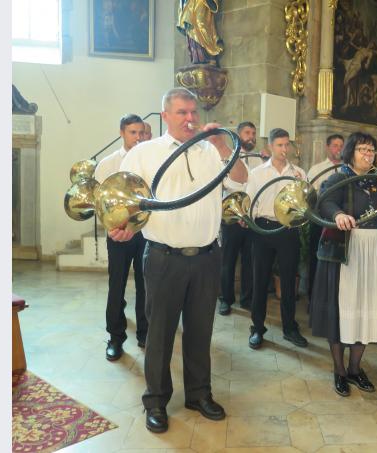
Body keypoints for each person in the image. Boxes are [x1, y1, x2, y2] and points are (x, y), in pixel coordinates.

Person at [113, 87, 247, 432]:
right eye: (182, 112)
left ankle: (199, 394)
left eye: (193, 112)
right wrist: (123, 225)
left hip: (206, 257)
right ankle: (156, 402)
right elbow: (125, 195)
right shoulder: (146, 152)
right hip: (164, 257)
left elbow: (241, 179)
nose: (190, 119)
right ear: (166, 115)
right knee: (159, 334)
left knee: (201, 331)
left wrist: (222, 145)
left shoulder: (210, 150)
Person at [309, 132, 377, 396]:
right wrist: (339, 214)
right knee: (344, 310)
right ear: (350, 152)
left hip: (374, 251)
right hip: (348, 250)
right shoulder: (340, 177)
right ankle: (339, 370)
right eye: (363, 149)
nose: (368, 154)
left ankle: (355, 368)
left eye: (372, 150)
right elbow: (324, 201)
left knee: (366, 309)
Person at [245, 128, 309, 350]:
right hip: (263, 227)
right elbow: (250, 202)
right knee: (260, 279)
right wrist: (250, 222)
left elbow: (304, 204)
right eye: (279, 145)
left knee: (289, 280)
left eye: (286, 145)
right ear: (270, 146)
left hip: (288, 229)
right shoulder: (257, 173)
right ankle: (257, 328)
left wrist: (303, 186)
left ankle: (290, 328)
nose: (284, 149)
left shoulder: (298, 172)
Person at [95, 114, 148, 361]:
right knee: (116, 285)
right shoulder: (107, 163)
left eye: (140, 132)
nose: (137, 137)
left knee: (145, 285)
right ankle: (115, 337)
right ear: (122, 133)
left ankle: (145, 333)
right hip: (117, 234)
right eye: (132, 132)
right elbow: (100, 204)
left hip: (145, 233)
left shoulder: (150, 160)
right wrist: (113, 227)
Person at [217, 121, 258, 316]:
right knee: (228, 260)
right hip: (231, 216)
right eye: (247, 133)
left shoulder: (259, 160)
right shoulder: (227, 157)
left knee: (250, 260)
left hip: (251, 218)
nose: (251, 136)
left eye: (253, 133)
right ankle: (225, 299)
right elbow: (226, 183)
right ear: (238, 135)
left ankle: (247, 298)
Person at [305, 134, 344, 300]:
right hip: (321, 221)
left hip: (342, 223)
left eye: (341, 145)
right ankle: (313, 297)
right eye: (335, 145)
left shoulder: (348, 169)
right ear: (328, 147)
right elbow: (309, 197)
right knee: (316, 258)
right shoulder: (316, 169)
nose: (338, 149)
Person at [177, 0, 223, 64]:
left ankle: (207, 55)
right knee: (191, 27)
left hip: (201, 3)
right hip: (190, 4)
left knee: (201, 24)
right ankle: (196, 56)